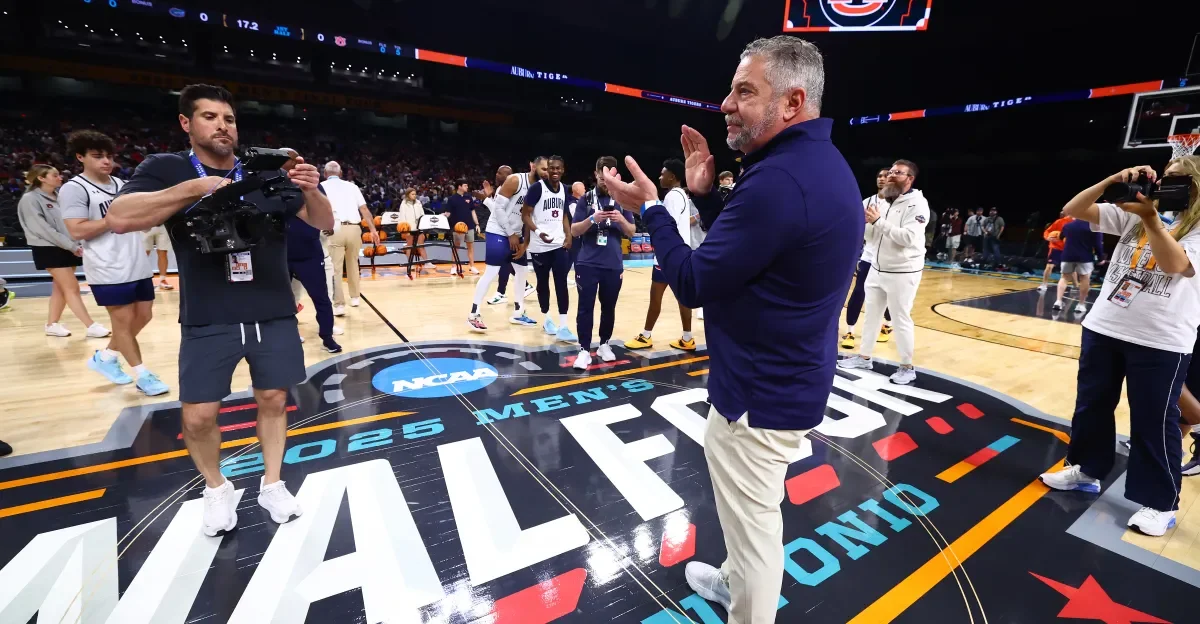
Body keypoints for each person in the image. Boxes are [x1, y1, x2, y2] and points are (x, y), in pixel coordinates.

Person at [601, 36, 861, 624]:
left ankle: (748, 604)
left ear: (793, 102)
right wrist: (702, 198)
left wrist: (654, 210)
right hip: (782, 374)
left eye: (745, 91)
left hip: (760, 391)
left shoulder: (779, 181)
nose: (725, 103)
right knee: (751, 514)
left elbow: (692, 282)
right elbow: (755, 252)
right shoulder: (811, 164)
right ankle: (734, 581)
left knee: (755, 525)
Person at [106, 84, 335, 536]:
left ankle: (272, 483)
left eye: (228, 118)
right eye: (210, 117)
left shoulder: (264, 170)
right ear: (187, 124)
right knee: (198, 415)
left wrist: (310, 189)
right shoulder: (166, 168)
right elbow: (120, 216)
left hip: (272, 308)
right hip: (209, 313)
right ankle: (216, 489)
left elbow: (323, 221)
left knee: (273, 399)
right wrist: (195, 187)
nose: (222, 125)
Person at [1039, 158, 1200, 537]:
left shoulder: (1186, 224)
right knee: (1092, 404)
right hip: (1105, 326)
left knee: (1154, 421)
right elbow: (1074, 209)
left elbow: (1174, 263)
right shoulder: (1135, 213)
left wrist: (1150, 219)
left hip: (1161, 338)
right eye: (1165, 175)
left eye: (1178, 178)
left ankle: (1160, 503)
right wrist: (1111, 180)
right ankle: (1086, 470)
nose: (1165, 183)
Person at [59, 130, 167, 395]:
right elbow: (77, 230)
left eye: (108, 156)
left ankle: (105, 358)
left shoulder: (121, 185)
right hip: (107, 266)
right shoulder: (74, 189)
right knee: (122, 323)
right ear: (80, 157)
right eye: (97, 156)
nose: (106, 161)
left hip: (136, 261)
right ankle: (143, 374)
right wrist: (113, 220)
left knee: (145, 315)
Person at [837, 160, 930, 385]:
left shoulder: (917, 204)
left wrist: (878, 222)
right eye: (890, 171)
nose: (890, 175)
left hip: (903, 271)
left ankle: (907, 367)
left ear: (910, 179)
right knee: (871, 315)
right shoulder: (887, 202)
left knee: (900, 319)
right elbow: (874, 236)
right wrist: (864, 225)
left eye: (898, 173)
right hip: (877, 268)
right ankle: (864, 357)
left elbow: (907, 238)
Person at [17, 164, 111, 339]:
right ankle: (90, 325)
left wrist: (75, 242)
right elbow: (43, 229)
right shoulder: (30, 199)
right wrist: (72, 246)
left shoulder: (59, 197)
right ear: (41, 178)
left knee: (60, 288)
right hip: (48, 248)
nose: (60, 177)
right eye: (55, 175)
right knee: (72, 287)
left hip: (67, 245)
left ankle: (52, 324)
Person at [624, 159, 697, 352]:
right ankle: (687, 338)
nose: (660, 176)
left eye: (663, 173)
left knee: (655, 297)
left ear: (672, 176)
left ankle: (646, 336)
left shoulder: (672, 196)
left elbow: (667, 225)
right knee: (682, 298)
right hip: (682, 253)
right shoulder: (682, 194)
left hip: (667, 256)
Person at [572, 156, 636, 369]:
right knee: (585, 307)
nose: (604, 177)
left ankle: (604, 344)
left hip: (612, 263)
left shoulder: (622, 199)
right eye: (602, 173)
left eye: (610, 173)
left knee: (609, 307)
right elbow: (574, 230)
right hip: (587, 263)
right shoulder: (586, 199)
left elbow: (632, 232)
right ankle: (583, 349)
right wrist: (592, 219)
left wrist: (621, 219)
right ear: (596, 173)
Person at [466, 157, 542, 331]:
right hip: (498, 230)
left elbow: (528, 217)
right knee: (492, 271)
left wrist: (525, 243)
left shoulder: (537, 189)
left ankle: (518, 312)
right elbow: (498, 210)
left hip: (515, 233)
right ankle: (473, 314)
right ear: (532, 166)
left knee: (522, 271)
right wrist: (510, 234)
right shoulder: (515, 182)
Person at [521, 156, 576, 342]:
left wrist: (568, 236)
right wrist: (538, 231)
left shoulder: (565, 189)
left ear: (563, 169)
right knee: (543, 284)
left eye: (558, 168)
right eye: (551, 168)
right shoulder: (537, 188)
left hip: (558, 244)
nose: (554, 171)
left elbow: (564, 215)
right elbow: (525, 215)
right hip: (539, 245)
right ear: (547, 170)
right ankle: (546, 319)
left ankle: (564, 326)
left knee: (561, 283)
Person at [841, 168, 892, 349]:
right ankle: (850, 331)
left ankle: (887, 325)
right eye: (879, 175)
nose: (881, 178)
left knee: (889, 294)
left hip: (889, 258)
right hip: (869, 254)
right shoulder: (867, 202)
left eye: (886, 176)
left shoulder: (898, 204)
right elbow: (856, 230)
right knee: (858, 291)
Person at [323, 161, 378, 316]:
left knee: (335, 268)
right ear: (340, 173)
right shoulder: (352, 186)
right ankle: (355, 298)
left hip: (334, 228)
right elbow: (364, 209)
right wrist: (373, 230)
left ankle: (339, 305)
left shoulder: (321, 187)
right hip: (354, 228)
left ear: (325, 174)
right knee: (353, 264)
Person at [1055, 215, 1104, 313]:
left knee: (1064, 278)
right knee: (1084, 279)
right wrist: (1101, 258)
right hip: (1085, 257)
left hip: (1067, 255)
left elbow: (1061, 237)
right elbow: (1098, 245)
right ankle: (1080, 305)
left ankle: (1058, 301)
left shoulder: (1068, 225)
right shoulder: (1095, 227)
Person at [443, 179, 481, 275]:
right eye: (465, 185)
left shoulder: (469, 198)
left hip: (469, 226)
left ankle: (472, 266)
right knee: (456, 247)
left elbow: (473, 211)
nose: (467, 187)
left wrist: (477, 224)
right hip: (457, 227)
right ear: (459, 186)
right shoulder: (452, 199)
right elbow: (448, 213)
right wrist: (441, 217)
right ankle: (453, 267)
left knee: (470, 247)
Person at [397, 187, 434, 271]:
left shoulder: (418, 202)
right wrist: (404, 228)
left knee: (421, 245)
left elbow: (422, 214)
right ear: (408, 195)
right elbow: (402, 217)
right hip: (409, 228)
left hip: (419, 227)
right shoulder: (403, 204)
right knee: (409, 246)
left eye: (415, 194)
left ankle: (427, 262)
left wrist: (423, 224)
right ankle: (411, 263)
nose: (414, 196)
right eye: (412, 194)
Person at [1039, 210, 1073, 292]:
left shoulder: (1076, 223)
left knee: (1067, 270)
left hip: (1068, 248)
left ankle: (1070, 285)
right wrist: (1047, 238)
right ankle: (1044, 284)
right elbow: (1047, 231)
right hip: (1056, 247)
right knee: (1049, 266)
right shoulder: (1059, 222)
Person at [143, 225, 173, 290]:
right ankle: (141, 281)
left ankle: (163, 280)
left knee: (163, 252)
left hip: (162, 225)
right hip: (145, 224)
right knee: (143, 254)